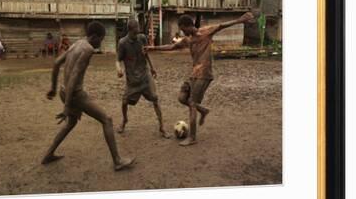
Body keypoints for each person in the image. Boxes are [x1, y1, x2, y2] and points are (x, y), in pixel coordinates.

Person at [146, 11, 255, 146]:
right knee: (182, 98)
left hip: (204, 74)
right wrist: (153, 48)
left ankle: (192, 137)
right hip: (193, 73)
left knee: (192, 103)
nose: (182, 32)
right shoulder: (188, 39)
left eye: (182, 29)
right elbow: (172, 46)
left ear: (188, 25)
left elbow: (221, 25)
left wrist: (239, 20)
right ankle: (203, 110)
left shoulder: (205, 32)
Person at [43, 21, 135, 171]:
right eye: (101, 38)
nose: (102, 42)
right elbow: (74, 77)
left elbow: (56, 63)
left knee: (70, 124)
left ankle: (48, 154)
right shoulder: (88, 49)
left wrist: (53, 88)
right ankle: (117, 161)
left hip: (63, 90)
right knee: (107, 120)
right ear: (94, 36)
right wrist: (66, 106)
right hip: (75, 95)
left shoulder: (77, 44)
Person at [116, 19, 170, 138]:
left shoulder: (142, 38)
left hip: (145, 76)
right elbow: (118, 59)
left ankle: (162, 127)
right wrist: (119, 69)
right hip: (132, 80)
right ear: (130, 30)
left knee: (155, 99)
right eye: (136, 30)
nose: (138, 32)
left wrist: (152, 67)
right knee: (125, 102)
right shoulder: (122, 43)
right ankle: (124, 121)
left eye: (138, 30)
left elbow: (146, 54)